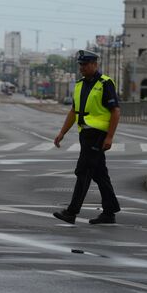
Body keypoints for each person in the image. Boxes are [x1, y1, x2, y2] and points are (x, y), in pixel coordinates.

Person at [53, 50, 121, 225]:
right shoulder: (79, 85)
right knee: (99, 174)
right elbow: (73, 111)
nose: (81, 68)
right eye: (80, 65)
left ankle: (72, 212)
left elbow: (116, 112)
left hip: (98, 135)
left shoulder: (105, 83)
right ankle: (109, 211)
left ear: (94, 64)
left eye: (85, 64)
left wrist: (110, 137)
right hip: (85, 134)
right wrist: (62, 133)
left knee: (83, 172)